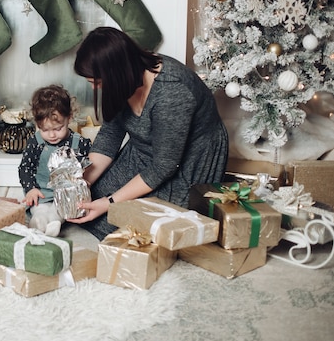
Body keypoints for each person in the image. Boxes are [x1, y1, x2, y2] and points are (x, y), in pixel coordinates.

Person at [68, 27, 228, 241]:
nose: (95, 89)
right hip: (143, 149)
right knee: (90, 201)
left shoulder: (172, 93)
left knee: (130, 226)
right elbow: (109, 136)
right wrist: (84, 180)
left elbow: (164, 166)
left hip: (186, 160)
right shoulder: (123, 81)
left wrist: (109, 204)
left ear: (116, 74)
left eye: (97, 82)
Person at [19, 85, 92, 237]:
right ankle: (39, 220)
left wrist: (83, 180)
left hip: (66, 194)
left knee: (62, 210)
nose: (51, 135)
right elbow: (25, 168)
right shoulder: (36, 142)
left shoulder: (80, 143)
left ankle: (54, 222)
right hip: (42, 192)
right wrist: (31, 189)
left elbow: (88, 166)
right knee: (38, 208)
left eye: (58, 128)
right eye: (44, 130)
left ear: (69, 117)